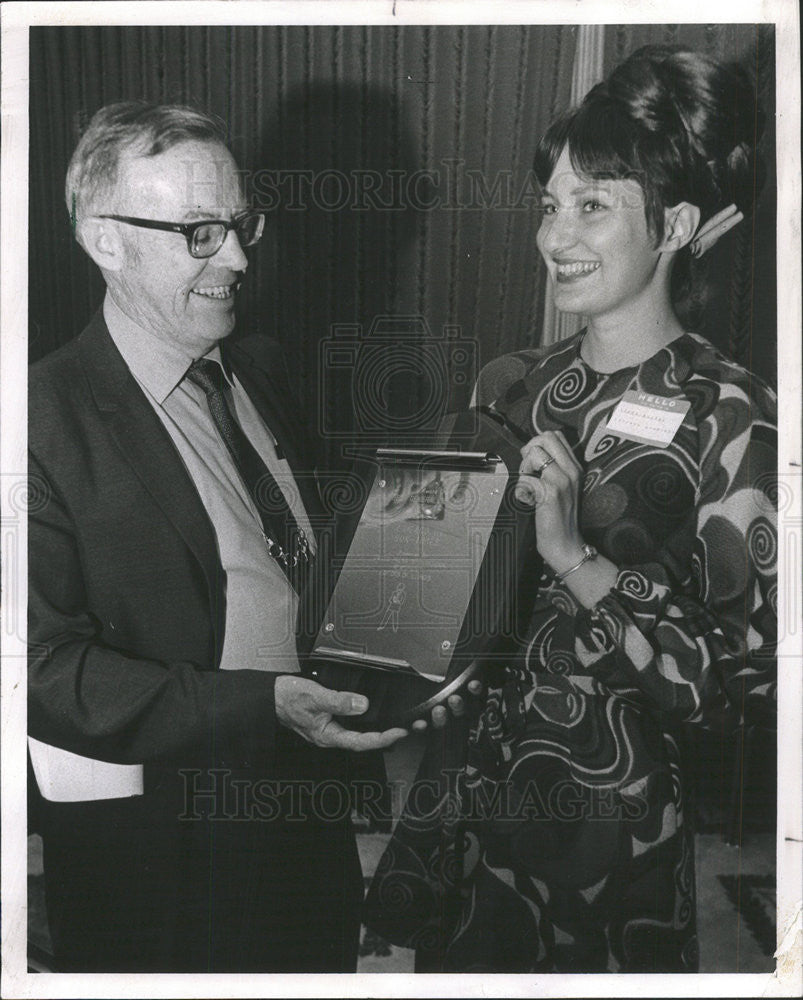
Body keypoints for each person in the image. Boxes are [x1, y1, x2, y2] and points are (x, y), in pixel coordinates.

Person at [364, 45, 778, 972]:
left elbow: (734, 691)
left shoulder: (736, 416)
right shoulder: (508, 385)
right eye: (550, 206)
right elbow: (431, 623)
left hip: (608, 832)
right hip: (470, 807)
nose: (556, 236)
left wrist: (569, 553)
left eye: (592, 207)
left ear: (674, 225)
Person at [27, 101, 411, 973]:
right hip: (163, 856)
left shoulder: (259, 364)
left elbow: (290, 555)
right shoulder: (37, 422)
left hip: (302, 807)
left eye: (240, 224)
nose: (237, 257)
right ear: (105, 241)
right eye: (200, 233)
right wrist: (257, 705)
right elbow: (42, 672)